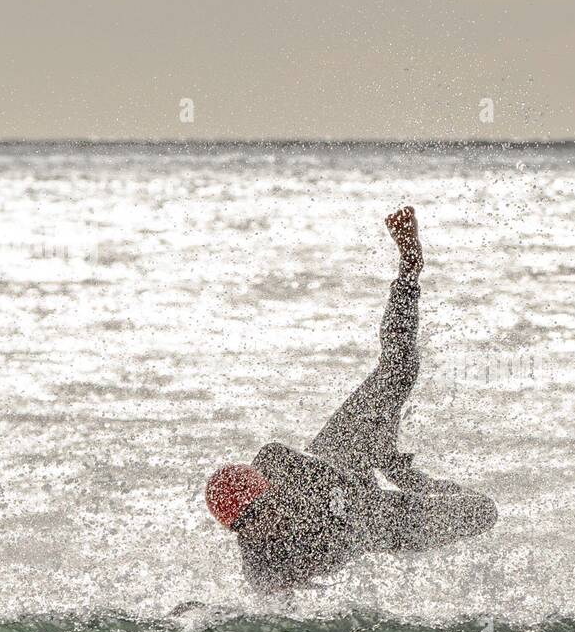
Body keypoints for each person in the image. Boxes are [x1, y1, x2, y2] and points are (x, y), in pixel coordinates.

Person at [205, 206, 498, 589]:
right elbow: (270, 623)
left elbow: (340, 478)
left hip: (346, 468)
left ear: (269, 486)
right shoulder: (265, 569)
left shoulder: (277, 462)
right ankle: (405, 473)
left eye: (263, 506)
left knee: (400, 370)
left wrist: (386, 463)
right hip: (381, 526)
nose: (264, 522)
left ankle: (409, 268)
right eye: (248, 524)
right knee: (483, 512)